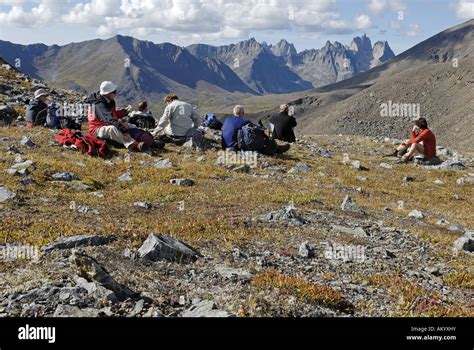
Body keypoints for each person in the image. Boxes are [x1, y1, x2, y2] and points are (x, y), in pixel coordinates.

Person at [86, 81, 146, 152]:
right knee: (113, 128)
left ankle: (146, 139)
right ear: (108, 93)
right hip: (96, 129)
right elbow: (109, 119)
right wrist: (124, 132)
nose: (115, 93)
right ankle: (134, 144)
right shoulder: (99, 105)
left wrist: (124, 112)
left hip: (105, 125)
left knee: (130, 126)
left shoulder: (109, 101)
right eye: (114, 92)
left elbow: (113, 115)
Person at [222, 105, 290, 155]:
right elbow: (258, 129)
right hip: (236, 148)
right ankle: (276, 149)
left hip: (225, 147)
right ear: (243, 113)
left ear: (234, 112)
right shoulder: (244, 122)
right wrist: (269, 134)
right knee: (261, 136)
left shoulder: (227, 120)